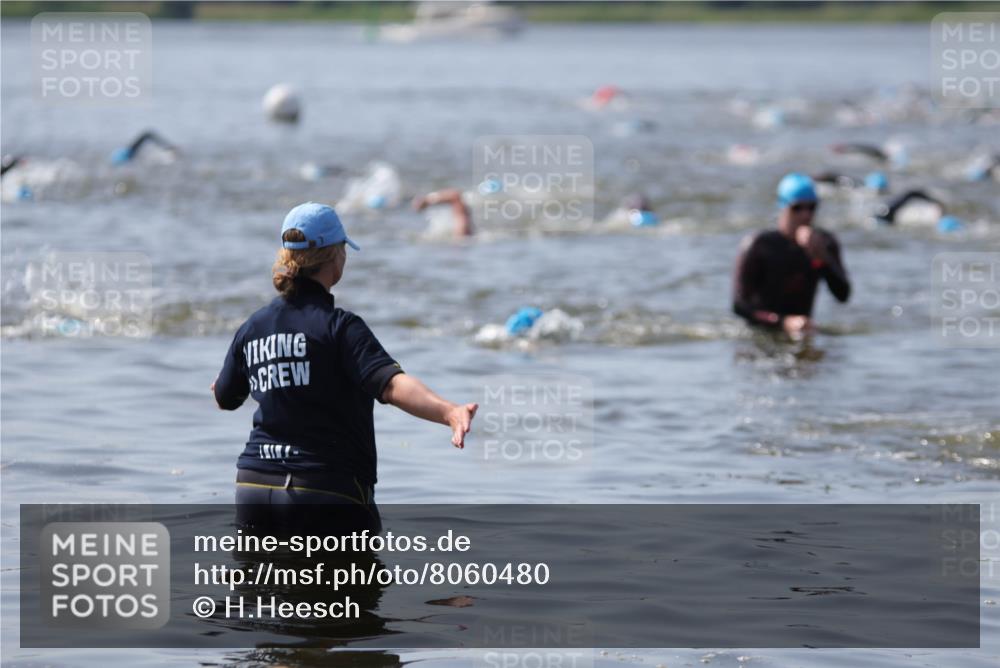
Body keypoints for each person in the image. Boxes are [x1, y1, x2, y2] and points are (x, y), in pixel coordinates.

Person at [212, 202, 478, 534]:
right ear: (335, 256)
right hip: (323, 490)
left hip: (254, 486)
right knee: (349, 585)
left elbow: (225, 396)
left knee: (261, 584)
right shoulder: (340, 327)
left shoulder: (253, 327)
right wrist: (448, 411)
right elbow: (392, 385)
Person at [732, 173, 851, 336]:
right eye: (797, 208)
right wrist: (783, 322)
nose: (806, 215)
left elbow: (843, 295)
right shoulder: (759, 244)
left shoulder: (825, 243)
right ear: (783, 206)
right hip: (761, 332)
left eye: (812, 207)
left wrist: (822, 258)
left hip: (802, 331)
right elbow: (740, 306)